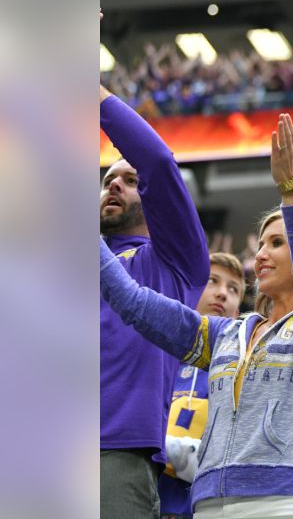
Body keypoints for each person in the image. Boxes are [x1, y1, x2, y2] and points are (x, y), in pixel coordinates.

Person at [99, 113, 293, 516]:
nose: (261, 254)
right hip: (208, 500)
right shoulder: (228, 333)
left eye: (277, 242)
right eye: (260, 244)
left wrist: (290, 192)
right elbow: (135, 303)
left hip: (284, 500)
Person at [100, 82, 209, 519]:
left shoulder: (172, 262)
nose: (114, 186)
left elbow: (159, 164)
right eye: (107, 180)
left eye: (129, 180)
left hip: (113, 449)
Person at [158, 253, 246, 519]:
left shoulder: (242, 368)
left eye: (233, 289)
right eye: (212, 281)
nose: (222, 293)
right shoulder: (156, 354)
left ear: (239, 310)